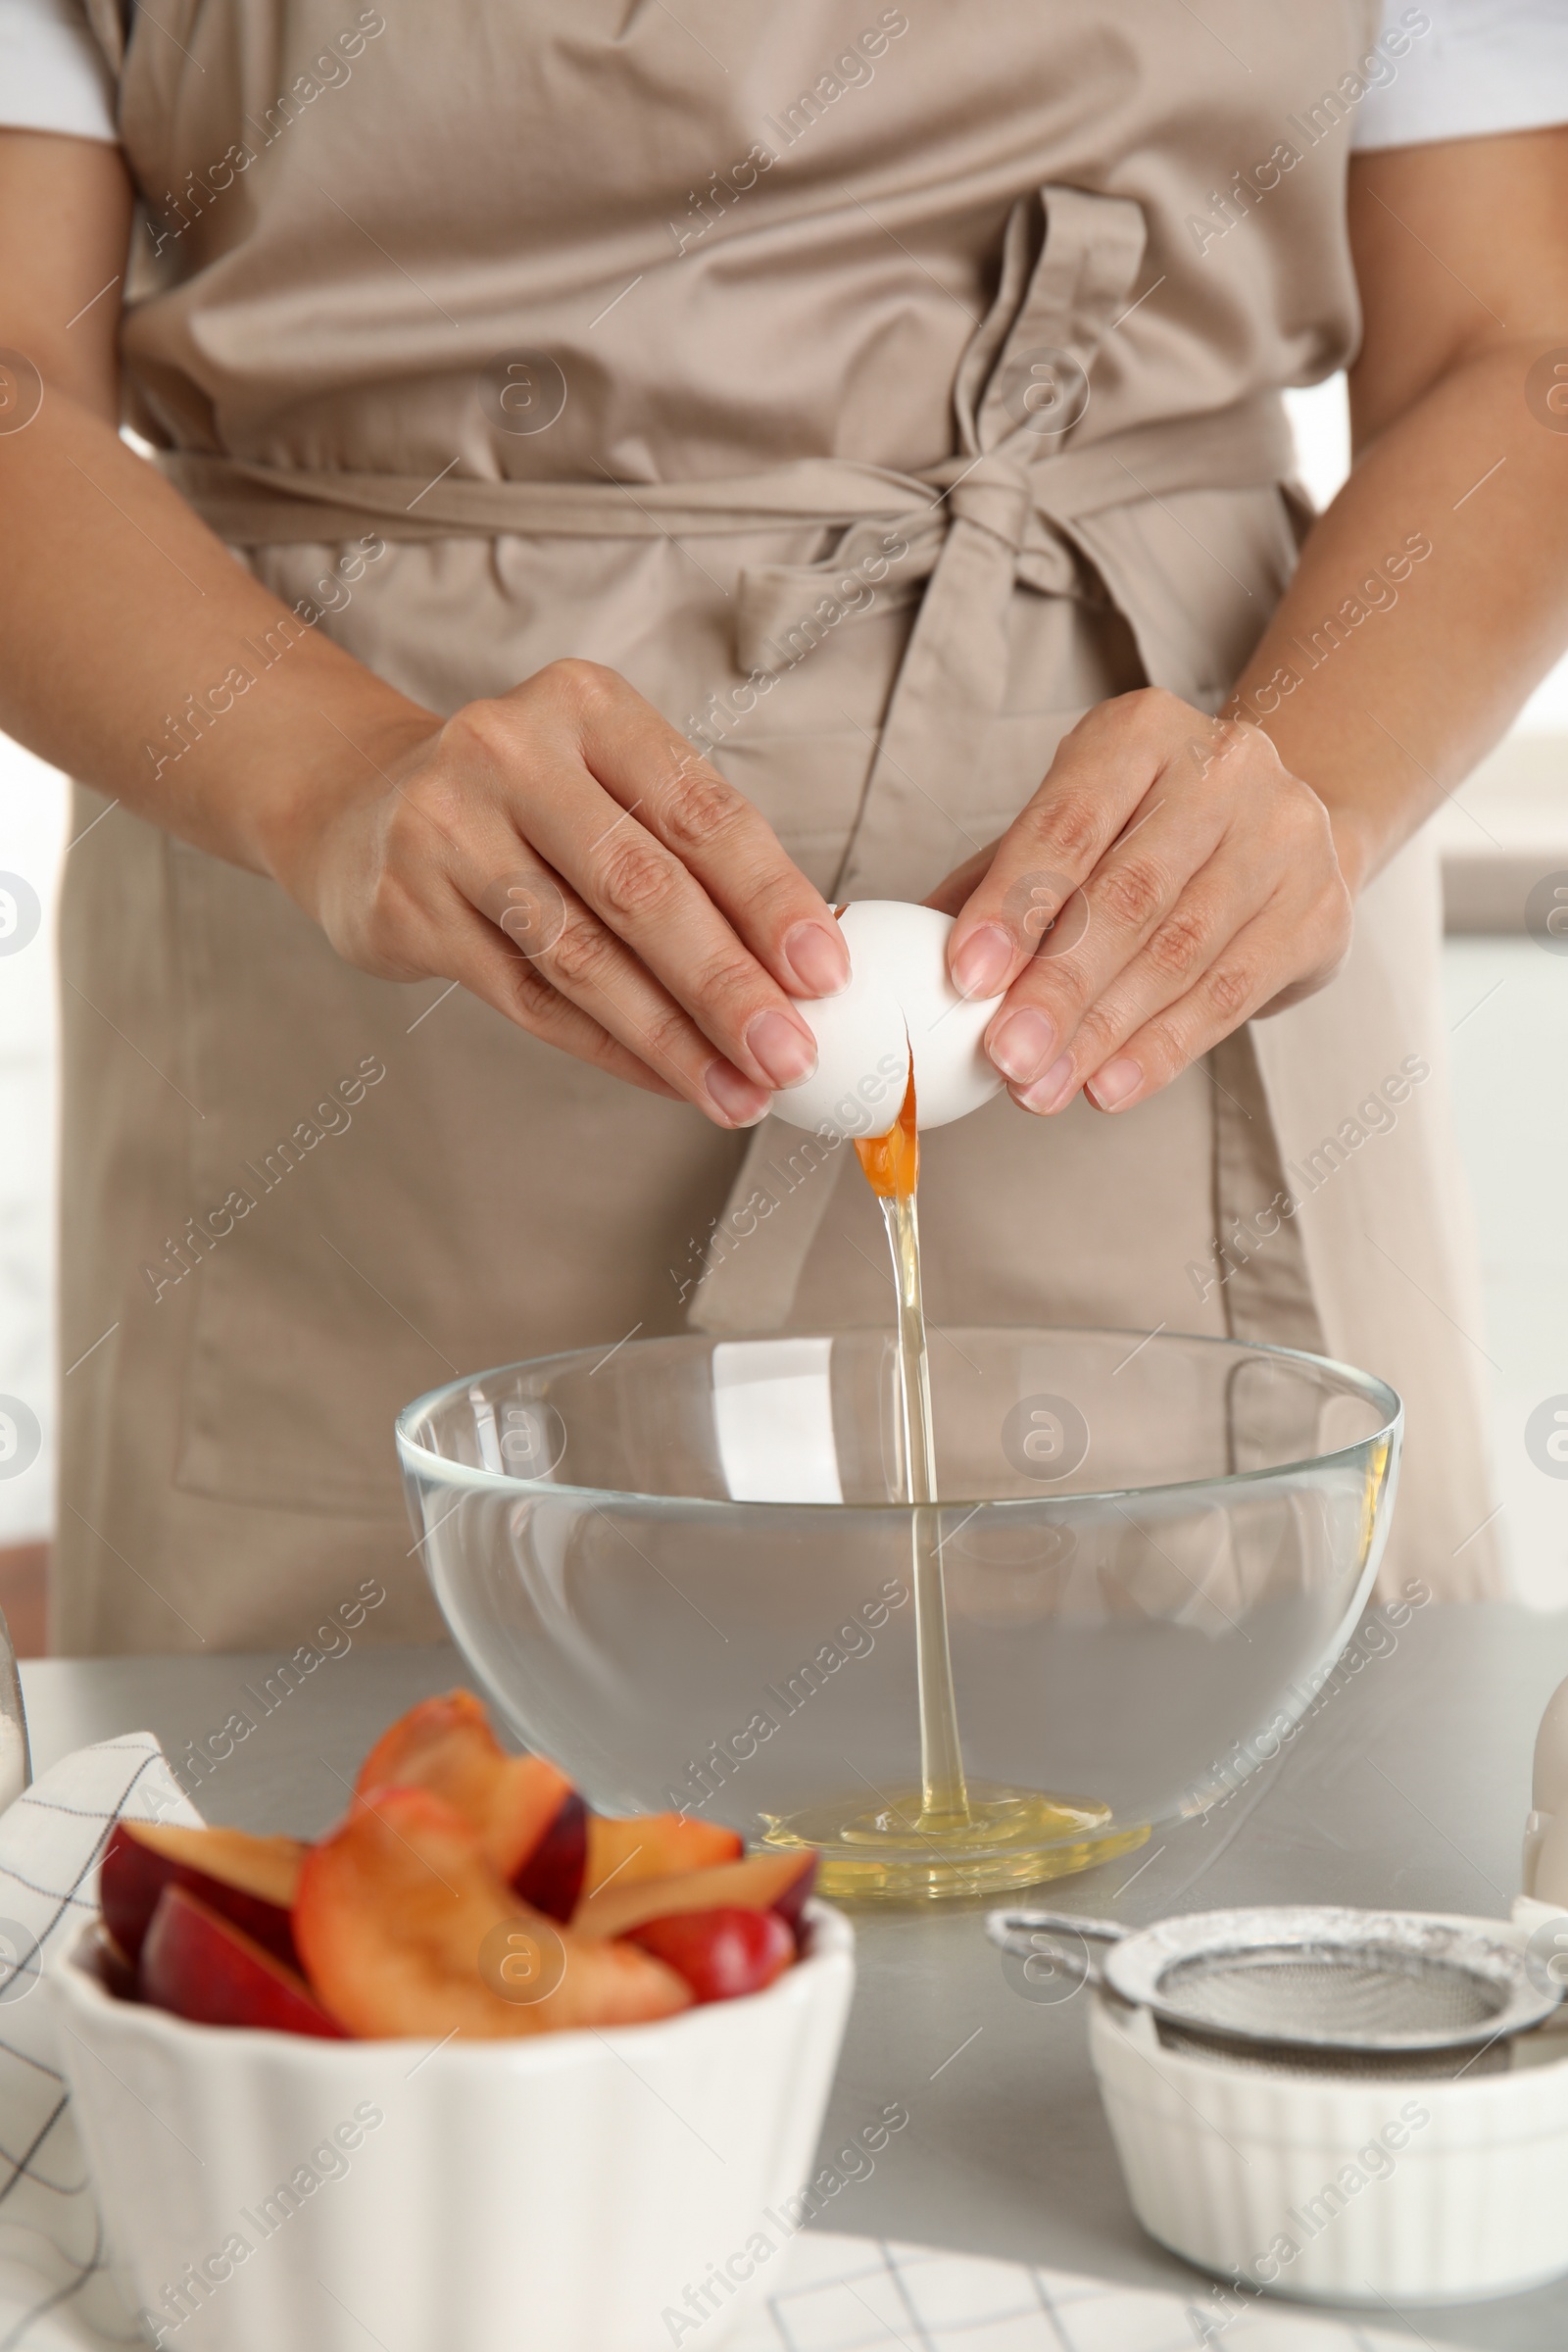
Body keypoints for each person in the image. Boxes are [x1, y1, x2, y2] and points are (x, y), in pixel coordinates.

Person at [0, 0, 1564, 1650]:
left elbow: (1512, 349)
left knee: (1242, 1845)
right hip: (378, 1061)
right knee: (399, 1856)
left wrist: (1305, 781)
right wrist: (328, 773)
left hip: (1164, 1000)